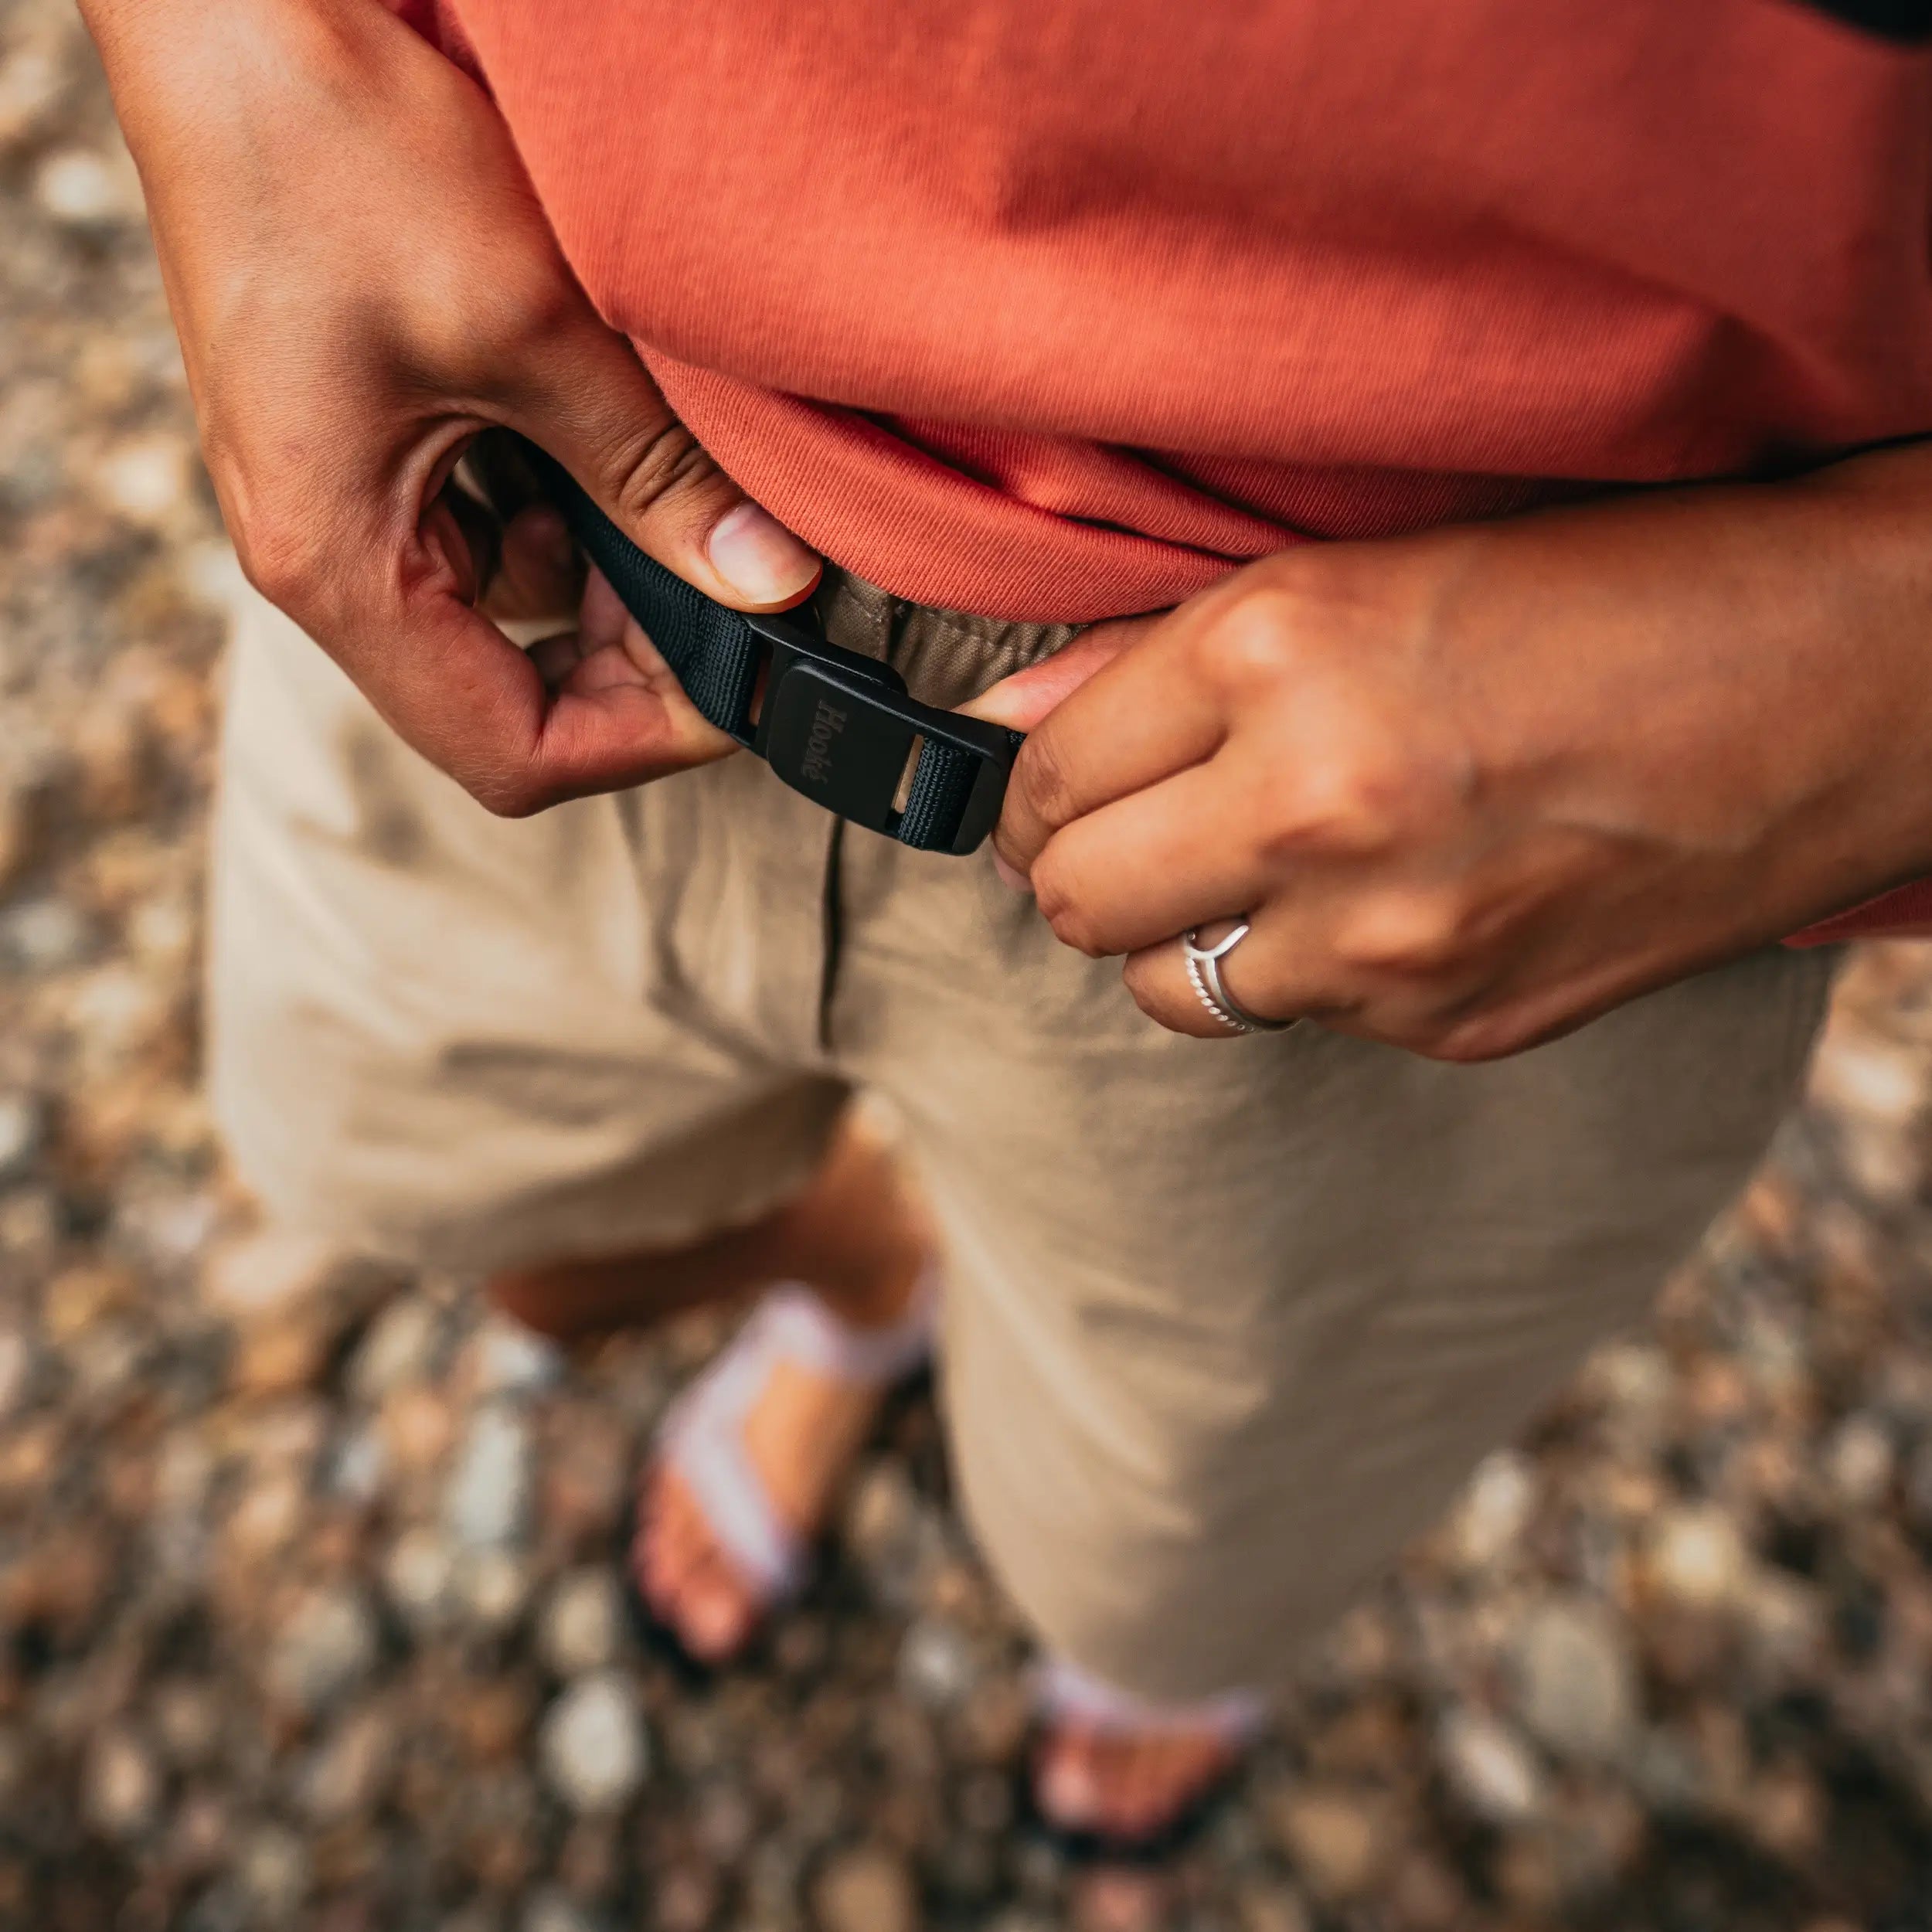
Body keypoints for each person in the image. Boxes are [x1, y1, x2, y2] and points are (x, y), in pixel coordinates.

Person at [80, 0, 1932, 1848]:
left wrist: (1864, 669)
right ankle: (867, 1275)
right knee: (432, 1186)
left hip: (1467, 770)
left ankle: (1137, 1647)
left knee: (1173, 1560)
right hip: (531, 467)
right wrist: (232, 54)